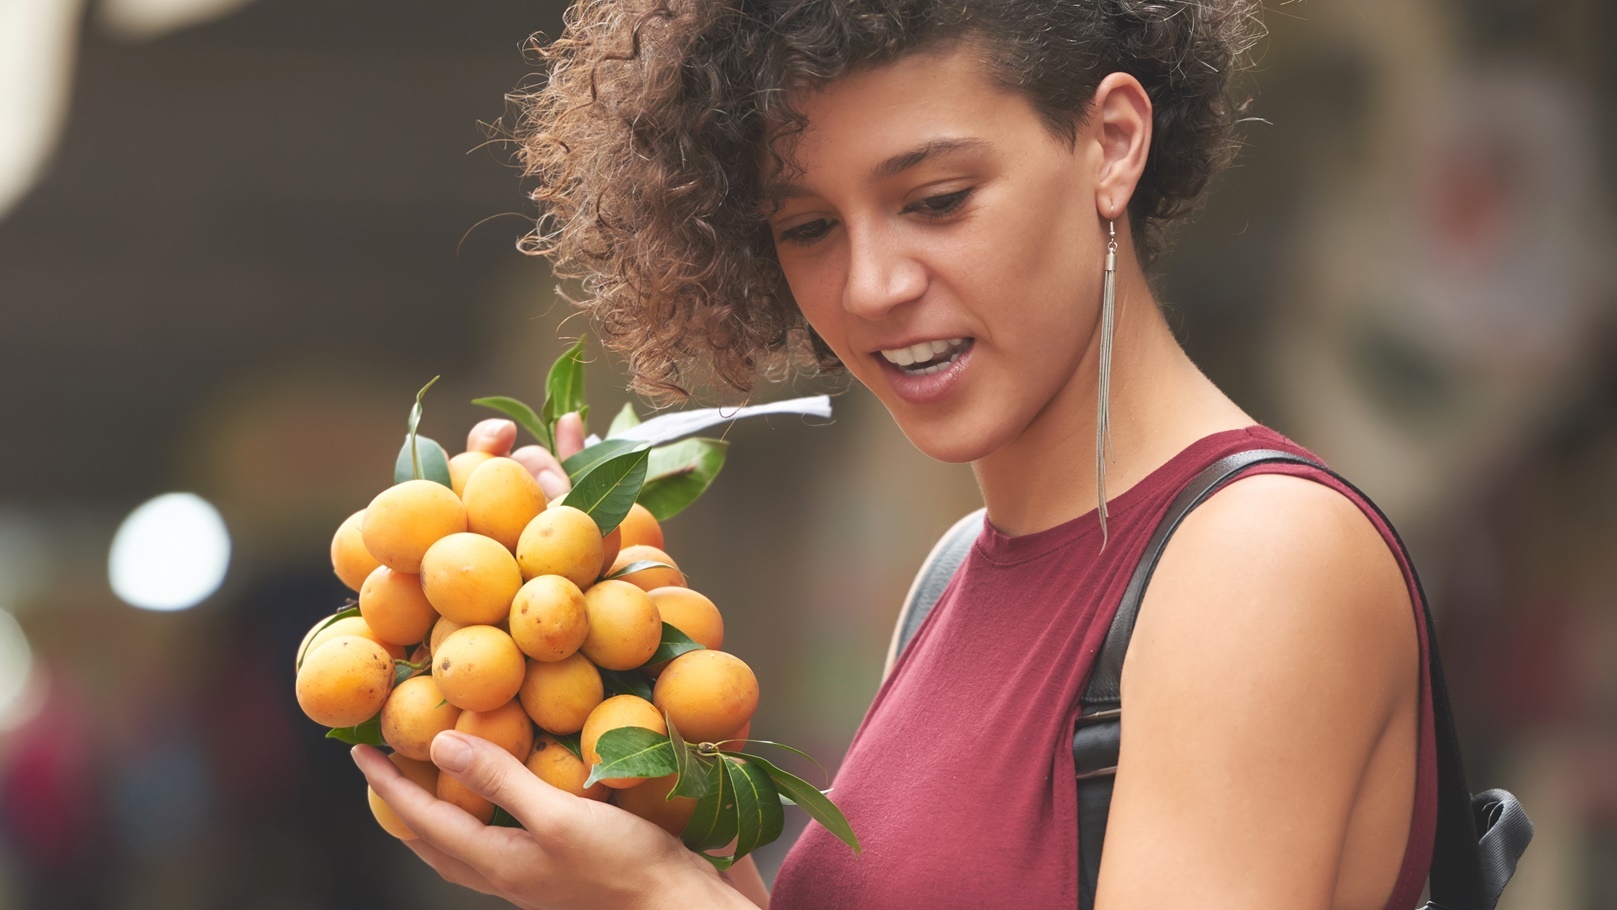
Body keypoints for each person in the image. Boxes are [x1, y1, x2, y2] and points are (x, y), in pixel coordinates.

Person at [354, 1, 1440, 907]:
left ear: (1111, 141)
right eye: (809, 227)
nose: (870, 287)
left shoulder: (1261, 559)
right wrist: (624, 717)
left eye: (936, 201)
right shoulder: (949, 575)